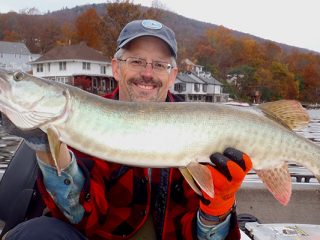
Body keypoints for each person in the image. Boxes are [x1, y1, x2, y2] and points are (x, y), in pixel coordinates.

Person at [3, 19, 252, 240]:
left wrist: (216, 209)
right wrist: (48, 150)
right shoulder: (83, 122)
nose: (147, 73)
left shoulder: (199, 125)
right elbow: (79, 218)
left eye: (159, 65)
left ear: (173, 74)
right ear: (115, 67)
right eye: (136, 61)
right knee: (35, 234)